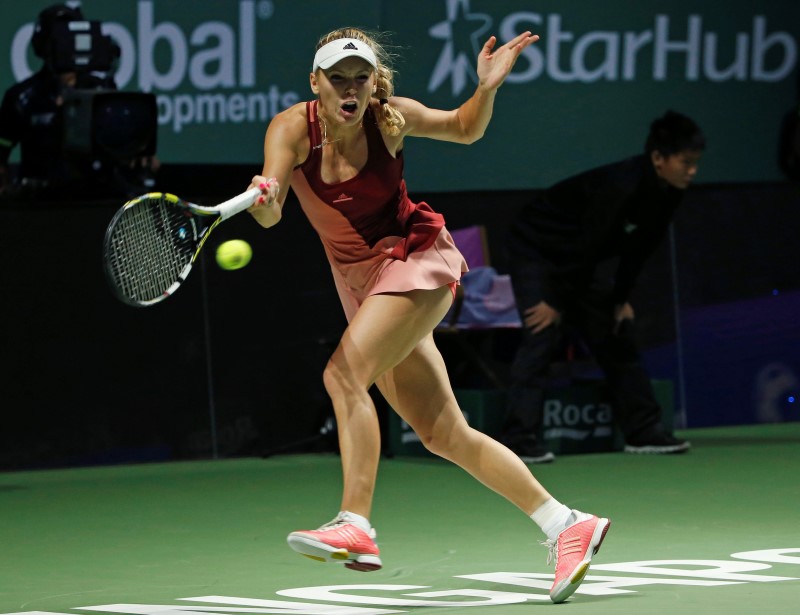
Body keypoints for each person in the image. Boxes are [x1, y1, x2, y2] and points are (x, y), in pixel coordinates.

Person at [245, 27, 609, 604]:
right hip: (359, 283)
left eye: (360, 77)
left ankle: (355, 524)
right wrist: (266, 200)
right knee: (443, 433)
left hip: (413, 262)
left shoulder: (390, 119)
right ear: (314, 82)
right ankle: (566, 524)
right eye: (337, 78)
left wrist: (485, 88)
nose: (350, 88)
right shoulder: (290, 129)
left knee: (343, 375)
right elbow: (271, 215)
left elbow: (465, 128)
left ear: (372, 82)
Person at [501, 111, 705, 464]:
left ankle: (644, 433)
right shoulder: (622, 187)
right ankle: (518, 440)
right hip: (536, 246)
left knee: (615, 329)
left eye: (695, 163)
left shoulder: (669, 191)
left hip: (580, 258)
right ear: (658, 158)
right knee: (542, 331)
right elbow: (587, 246)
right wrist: (552, 300)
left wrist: (620, 299)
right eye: (685, 162)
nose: (692, 171)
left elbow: (639, 249)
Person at [0, 3, 155, 200]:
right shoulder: (22, 98)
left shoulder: (104, 94)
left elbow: (127, 153)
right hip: (40, 205)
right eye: (58, 38)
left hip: (96, 201)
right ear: (42, 44)